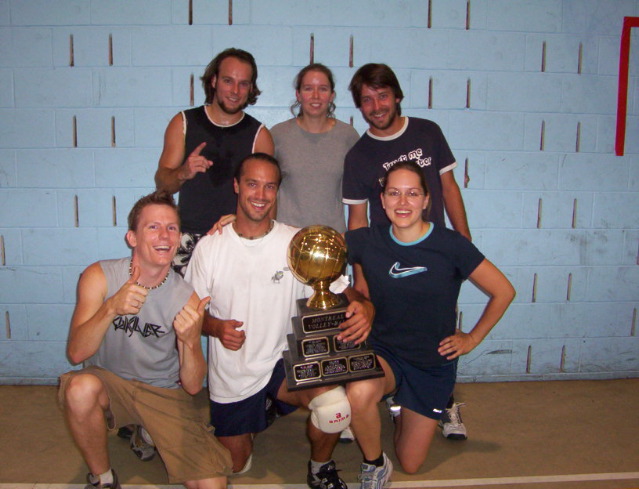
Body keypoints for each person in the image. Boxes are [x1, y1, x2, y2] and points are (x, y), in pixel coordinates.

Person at [185, 153, 374, 489]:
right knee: (235, 465)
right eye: (252, 184)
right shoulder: (210, 248)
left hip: (285, 362)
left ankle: (320, 468)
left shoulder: (296, 242)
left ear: (277, 192)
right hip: (235, 373)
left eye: (270, 186)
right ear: (236, 186)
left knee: (334, 408)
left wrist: (366, 308)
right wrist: (215, 327)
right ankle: (259, 414)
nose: (261, 194)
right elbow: (190, 315)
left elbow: (343, 290)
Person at [344, 161, 515, 487]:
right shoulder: (367, 239)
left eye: (412, 194)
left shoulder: (451, 246)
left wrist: (472, 339)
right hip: (385, 352)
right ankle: (375, 464)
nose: (403, 202)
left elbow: (503, 291)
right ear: (382, 200)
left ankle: (403, 408)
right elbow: (311, 245)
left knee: (410, 462)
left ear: (426, 201)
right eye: (394, 193)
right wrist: (241, 222)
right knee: (359, 392)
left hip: (431, 363)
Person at [59, 191, 232, 489]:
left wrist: (190, 341)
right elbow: (76, 353)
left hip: (161, 391)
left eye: (172, 228)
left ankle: (146, 430)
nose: (164, 235)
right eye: (153, 227)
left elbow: (192, 386)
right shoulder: (99, 276)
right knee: (79, 388)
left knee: (212, 484)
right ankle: (103, 478)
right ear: (132, 238)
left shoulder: (186, 297)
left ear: (178, 239)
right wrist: (111, 306)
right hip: (108, 382)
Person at [342, 62, 471, 439]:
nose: (377, 105)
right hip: (387, 264)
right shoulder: (359, 155)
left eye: (382, 96)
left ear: (396, 96)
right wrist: (360, 275)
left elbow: (449, 189)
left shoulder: (428, 132)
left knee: (441, 331)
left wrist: (463, 242)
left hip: (437, 257)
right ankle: (397, 397)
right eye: (367, 100)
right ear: (359, 106)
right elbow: (357, 219)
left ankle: (444, 402)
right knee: (392, 330)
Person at [155, 47, 274, 275]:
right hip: (187, 241)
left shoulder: (260, 136)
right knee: (184, 310)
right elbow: (162, 184)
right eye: (228, 81)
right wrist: (183, 172)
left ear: (251, 88)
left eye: (243, 84)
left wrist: (251, 232)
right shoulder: (183, 123)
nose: (235, 90)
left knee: (233, 312)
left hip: (237, 241)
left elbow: (269, 200)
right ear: (214, 81)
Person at [271, 63, 359, 233]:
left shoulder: (348, 136)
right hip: (285, 240)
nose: (316, 96)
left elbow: (358, 198)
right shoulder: (278, 135)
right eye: (308, 88)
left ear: (332, 95)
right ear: (298, 95)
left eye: (323, 89)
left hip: (332, 241)